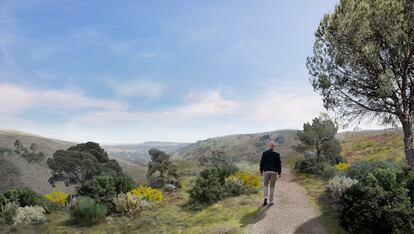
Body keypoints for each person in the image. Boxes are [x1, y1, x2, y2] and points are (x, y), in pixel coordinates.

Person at [259, 141, 282, 206]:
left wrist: (261, 171)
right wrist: (279, 173)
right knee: (272, 186)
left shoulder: (264, 153)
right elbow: (279, 164)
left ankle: (265, 198)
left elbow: (262, 163)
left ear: (269, 146)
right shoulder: (277, 154)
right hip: (273, 172)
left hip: (266, 172)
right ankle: (270, 201)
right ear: (274, 146)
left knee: (265, 185)